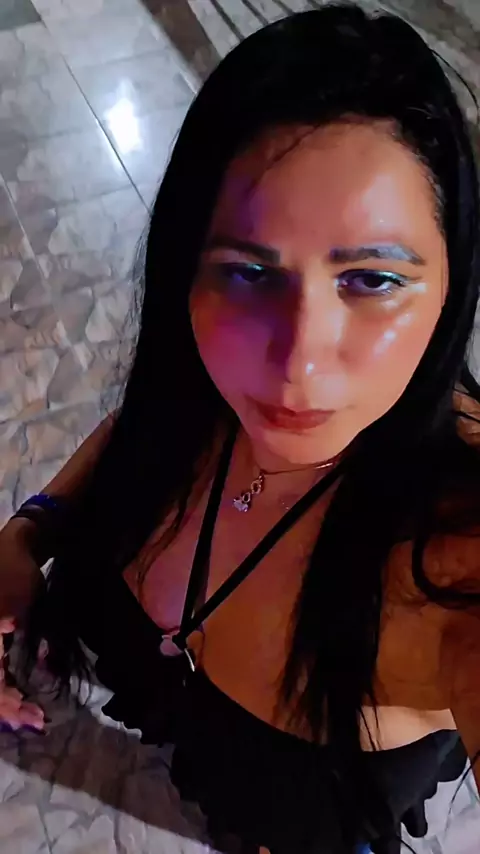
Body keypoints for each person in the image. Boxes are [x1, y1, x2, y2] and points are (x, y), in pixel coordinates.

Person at [0, 3, 480, 852]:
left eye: (372, 280)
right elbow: (146, 420)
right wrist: (27, 532)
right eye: (248, 272)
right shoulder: (204, 376)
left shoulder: (455, 549)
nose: (296, 365)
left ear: (452, 288)